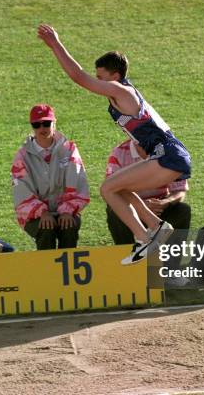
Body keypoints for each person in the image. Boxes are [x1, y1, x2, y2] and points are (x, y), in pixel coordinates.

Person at [37, 24, 191, 265]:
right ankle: (155, 227)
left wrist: (55, 44)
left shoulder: (122, 91)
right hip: (166, 154)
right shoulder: (123, 95)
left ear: (115, 76)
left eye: (101, 77)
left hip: (167, 154)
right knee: (118, 187)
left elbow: (78, 77)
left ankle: (144, 237)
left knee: (107, 189)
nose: (97, 83)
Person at [11, 104, 90, 250]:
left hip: (67, 211)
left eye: (46, 123)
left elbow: (79, 183)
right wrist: (43, 213)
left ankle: (68, 269)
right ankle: (47, 271)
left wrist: (67, 210)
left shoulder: (69, 150)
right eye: (37, 124)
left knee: (69, 226)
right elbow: (22, 193)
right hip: (35, 215)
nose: (42, 128)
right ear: (32, 127)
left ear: (55, 123)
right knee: (46, 229)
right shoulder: (22, 157)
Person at [105, 139, 191, 270]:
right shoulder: (119, 153)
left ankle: (171, 270)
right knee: (114, 212)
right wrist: (143, 206)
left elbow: (179, 190)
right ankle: (129, 267)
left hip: (160, 206)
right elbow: (115, 192)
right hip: (131, 208)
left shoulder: (170, 151)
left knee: (183, 210)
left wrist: (164, 202)